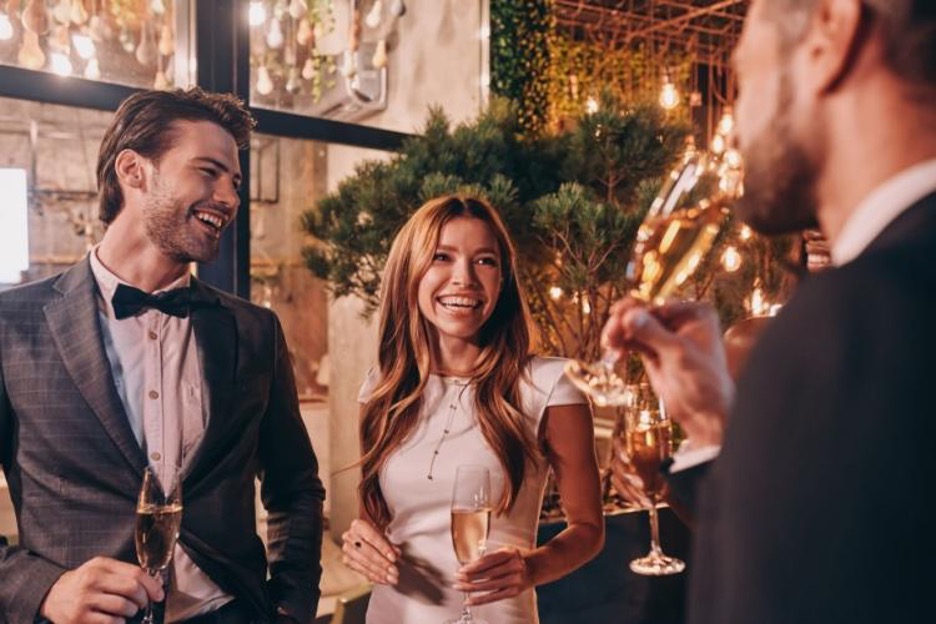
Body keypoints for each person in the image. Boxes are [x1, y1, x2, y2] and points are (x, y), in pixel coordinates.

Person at [602, 0, 936, 622]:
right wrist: (717, 427)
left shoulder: (853, 319)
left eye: (745, 77)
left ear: (831, 32)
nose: (736, 125)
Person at [0, 88, 325, 623]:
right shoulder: (12, 324)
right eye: (208, 172)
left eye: (235, 182)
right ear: (133, 170)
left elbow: (295, 487)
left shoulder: (255, 330)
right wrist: (44, 591)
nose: (229, 198)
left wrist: (291, 605)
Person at [340, 195, 604, 623]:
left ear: (503, 281)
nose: (464, 278)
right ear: (411, 271)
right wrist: (360, 545)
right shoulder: (383, 388)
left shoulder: (550, 385)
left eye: (484, 261)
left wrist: (533, 567)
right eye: (442, 257)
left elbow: (588, 529)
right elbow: (373, 520)